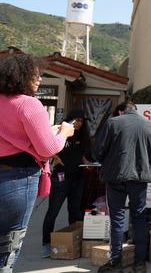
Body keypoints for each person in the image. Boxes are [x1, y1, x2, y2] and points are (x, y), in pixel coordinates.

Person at [0, 54, 74, 272]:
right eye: (36, 74)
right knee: (8, 246)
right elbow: (48, 149)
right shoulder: (28, 104)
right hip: (18, 179)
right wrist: (64, 133)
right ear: (21, 76)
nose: (40, 79)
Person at [95, 101, 151, 273]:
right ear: (136, 111)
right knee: (139, 218)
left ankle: (115, 261)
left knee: (117, 219)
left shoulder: (113, 123)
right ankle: (139, 263)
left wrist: (110, 161)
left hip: (116, 177)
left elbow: (99, 151)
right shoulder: (150, 126)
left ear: (121, 111)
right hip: (139, 179)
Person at [41, 108, 93, 257]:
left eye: (81, 121)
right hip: (61, 178)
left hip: (78, 177)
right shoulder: (60, 131)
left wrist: (86, 162)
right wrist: (54, 157)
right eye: (76, 120)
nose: (78, 123)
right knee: (53, 212)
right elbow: (46, 146)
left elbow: (82, 154)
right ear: (70, 119)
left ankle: (74, 242)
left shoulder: (83, 136)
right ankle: (46, 244)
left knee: (75, 211)